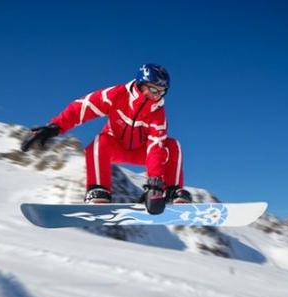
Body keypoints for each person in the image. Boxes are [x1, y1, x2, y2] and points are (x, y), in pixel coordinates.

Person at [21, 63, 192, 214]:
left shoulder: (158, 114)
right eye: (153, 89)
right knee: (99, 143)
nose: (156, 96)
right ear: (140, 84)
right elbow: (83, 107)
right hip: (114, 147)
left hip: (143, 153)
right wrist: (55, 127)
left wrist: (155, 185)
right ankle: (98, 191)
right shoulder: (116, 95)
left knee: (171, 146)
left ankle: (172, 191)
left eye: (162, 92)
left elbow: (155, 147)